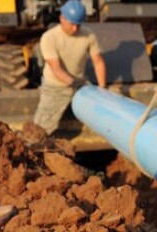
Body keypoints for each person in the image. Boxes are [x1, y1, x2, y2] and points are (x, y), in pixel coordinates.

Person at [32, 0, 106, 135]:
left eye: (78, 25)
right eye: (72, 24)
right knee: (41, 127)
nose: (75, 29)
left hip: (79, 82)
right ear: (62, 18)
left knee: (103, 111)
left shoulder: (88, 35)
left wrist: (102, 88)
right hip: (55, 86)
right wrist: (75, 84)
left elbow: (98, 62)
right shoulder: (49, 38)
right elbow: (56, 68)